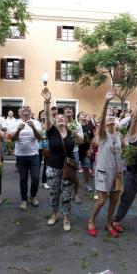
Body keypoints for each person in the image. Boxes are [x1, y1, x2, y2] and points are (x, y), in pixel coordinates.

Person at [41, 87, 82, 231]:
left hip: (68, 168)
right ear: (54, 121)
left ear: (66, 120)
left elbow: (81, 141)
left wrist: (77, 135)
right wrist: (47, 102)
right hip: (53, 167)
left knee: (66, 193)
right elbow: (47, 115)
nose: (59, 118)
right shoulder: (51, 131)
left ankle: (66, 218)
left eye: (62, 118)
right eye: (57, 117)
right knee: (54, 192)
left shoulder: (71, 132)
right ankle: (54, 214)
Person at [87, 88, 124, 238]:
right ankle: (91, 221)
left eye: (112, 116)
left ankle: (109, 223)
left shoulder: (120, 134)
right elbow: (101, 121)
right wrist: (107, 101)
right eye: (108, 116)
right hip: (103, 171)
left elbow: (124, 152)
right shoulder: (102, 135)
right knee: (102, 200)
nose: (110, 118)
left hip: (118, 173)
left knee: (115, 199)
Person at [10, 104, 42, 210]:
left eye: (28, 107)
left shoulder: (36, 122)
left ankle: (33, 196)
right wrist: (18, 130)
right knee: (23, 179)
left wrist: (33, 127)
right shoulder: (15, 123)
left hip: (34, 155)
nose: (26, 108)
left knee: (36, 178)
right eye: (24, 107)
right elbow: (12, 139)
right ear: (20, 112)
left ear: (30, 111)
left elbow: (40, 137)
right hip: (21, 156)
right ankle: (24, 199)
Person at [63, 106, 84, 203]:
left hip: (74, 152)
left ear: (72, 112)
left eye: (69, 110)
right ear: (64, 113)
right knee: (62, 174)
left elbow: (81, 141)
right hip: (62, 153)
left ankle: (76, 194)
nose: (68, 111)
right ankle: (64, 193)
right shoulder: (61, 123)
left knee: (74, 175)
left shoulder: (77, 125)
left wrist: (75, 134)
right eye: (66, 110)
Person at [77, 111, 95, 192]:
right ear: (78, 118)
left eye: (85, 114)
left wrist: (90, 149)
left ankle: (87, 184)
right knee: (73, 169)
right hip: (76, 151)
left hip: (86, 152)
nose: (84, 115)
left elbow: (92, 139)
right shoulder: (76, 126)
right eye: (82, 114)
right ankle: (74, 186)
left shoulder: (89, 126)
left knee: (86, 168)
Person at [38, 110, 50, 189]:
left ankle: (45, 181)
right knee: (37, 165)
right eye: (41, 114)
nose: (43, 115)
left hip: (47, 147)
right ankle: (35, 180)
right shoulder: (36, 123)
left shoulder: (49, 124)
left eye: (44, 114)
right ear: (39, 116)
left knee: (46, 165)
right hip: (38, 147)